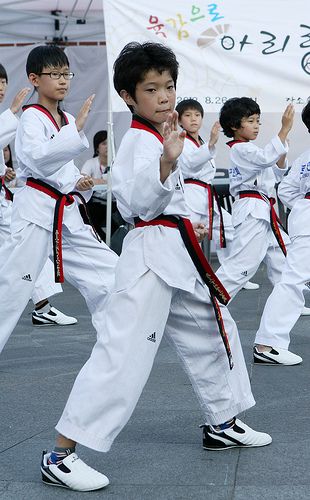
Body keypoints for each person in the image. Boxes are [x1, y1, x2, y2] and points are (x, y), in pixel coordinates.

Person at [41, 42, 271, 493]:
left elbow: (173, 189)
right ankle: (61, 453)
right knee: (123, 353)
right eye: (152, 89)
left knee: (214, 328)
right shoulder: (138, 140)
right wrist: (167, 163)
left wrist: (189, 212)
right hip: (149, 258)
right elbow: (136, 202)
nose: (165, 96)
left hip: (178, 251)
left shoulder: (161, 135)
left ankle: (223, 420)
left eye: (169, 86)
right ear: (129, 97)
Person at [0, 45, 118, 349]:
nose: (63, 80)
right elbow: (37, 160)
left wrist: (79, 180)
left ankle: (115, 342)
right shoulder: (30, 118)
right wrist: (76, 131)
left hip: (66, 210)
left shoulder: (65, 117)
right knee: (16, 284)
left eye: (66, 73)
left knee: (109, 272)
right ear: (35, 79)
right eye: (55, 74)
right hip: (36, 210)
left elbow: (64, 167)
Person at [215, 97, 303, 365]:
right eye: (250, 121)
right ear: (234, 126)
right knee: (242, 265)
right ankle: (210, 301)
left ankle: (288, 301)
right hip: (252, 209)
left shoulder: (249, 150)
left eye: (258, 121)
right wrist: (284, 130)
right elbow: (266, 158)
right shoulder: (240, 149)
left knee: (285, 263)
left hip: (263, 209)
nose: (256, 126)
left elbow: (276, 173)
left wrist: (282, 149)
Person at [0, 64, 77, 327]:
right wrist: (11, 113)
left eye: (3, 81)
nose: (1, 88)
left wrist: (5, 173)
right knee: (19, 261)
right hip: (23, 202)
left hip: (10, 201)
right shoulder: (17, 116)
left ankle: (42, 306)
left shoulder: (17, 118)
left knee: (25, 257)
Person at [175, 98, 259, 290]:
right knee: (190, 239)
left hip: (207, 195)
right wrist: (211, 144)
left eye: (197, 115)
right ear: (180, 120)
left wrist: (208, 144)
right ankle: (187, 282)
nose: (193, 119)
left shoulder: (200, 141)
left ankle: (234, 275)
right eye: (188, 115)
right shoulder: (181, 140)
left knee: (229, 231)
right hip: (191, 195)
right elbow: (189, 164)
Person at [253, 101, 310, 363]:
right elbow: (286, 190)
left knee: (293, 279)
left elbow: (286, 190)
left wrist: (303, 207)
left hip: (304, 216)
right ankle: (267, 344)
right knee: (293, 280)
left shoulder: (306, 157)